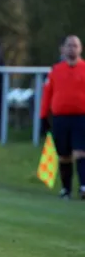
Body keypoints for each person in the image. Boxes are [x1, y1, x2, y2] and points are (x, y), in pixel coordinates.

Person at [40, 35, 85, 200]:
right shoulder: (56, 71)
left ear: (80, 49)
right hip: (61, 118)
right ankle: (66, 189)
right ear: (63, 49)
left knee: (81, 152)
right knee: (64, 155)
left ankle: (83, 186)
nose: (72, 48)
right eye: (69, 45)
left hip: (81, 117)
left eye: (75, 46)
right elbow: (47, 94)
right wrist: (43, 116)